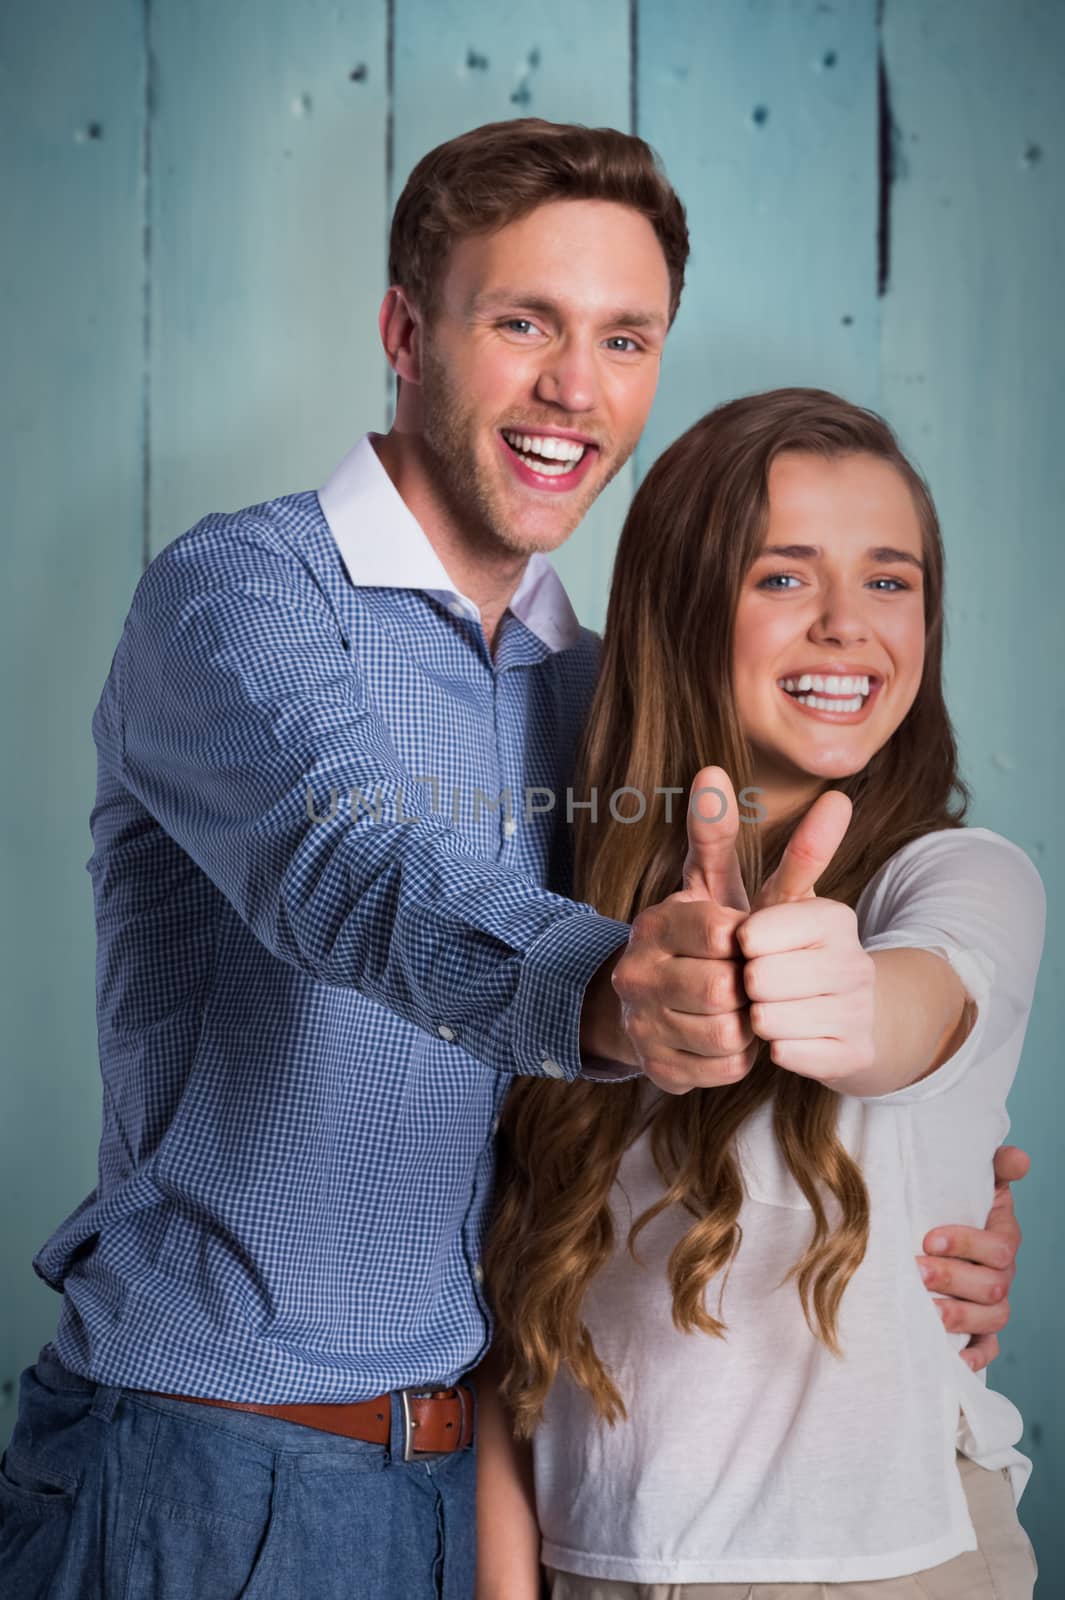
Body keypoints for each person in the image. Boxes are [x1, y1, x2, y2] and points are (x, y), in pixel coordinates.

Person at [0, 123, 1024, 1600]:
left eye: (624, 338)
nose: (574, 388)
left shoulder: (603, 706)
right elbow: (351, 875)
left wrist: (945, 1212)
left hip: (468, 1490)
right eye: (523, 322)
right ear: (406, 333)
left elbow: (756, 1069)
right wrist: (612, 994)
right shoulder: (237, 602)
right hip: (202, 1469)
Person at [477, 388, 1045, 1599]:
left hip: (890, 1565)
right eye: (784, 577)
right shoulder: (550, 916)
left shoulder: (964, 877)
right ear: (685, 609)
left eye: (892, 581)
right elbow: (478, 1293)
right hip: (590, 1563)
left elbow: (918, 1007)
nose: (849, 625)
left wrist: (823, 992)